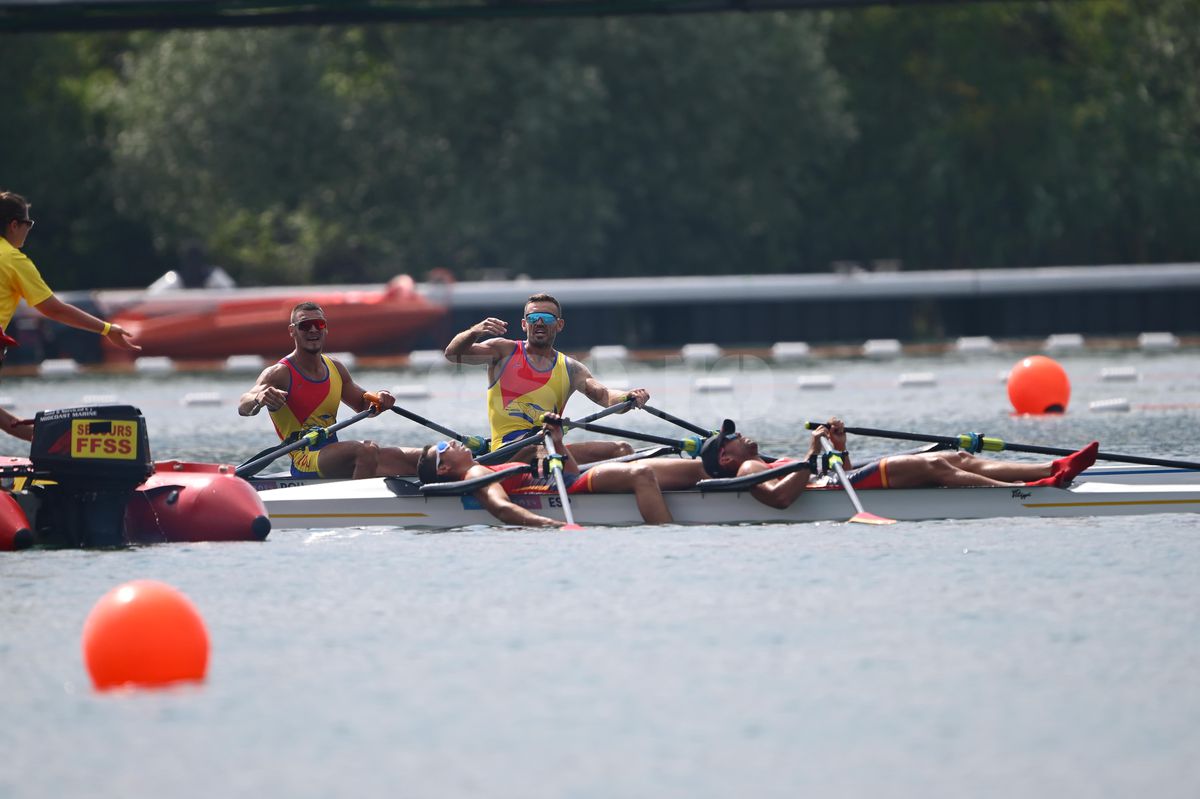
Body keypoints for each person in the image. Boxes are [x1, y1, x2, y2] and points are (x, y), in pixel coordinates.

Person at [697, 418, 1101, 510]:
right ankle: (1026, 494)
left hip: (844, 480)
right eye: (731, 438)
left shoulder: (760, 460)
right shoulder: (747, 470)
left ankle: (1053, 467)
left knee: (954, 456)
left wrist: (839, 447)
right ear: (727, 457)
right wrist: (812, 452)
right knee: (934, 469)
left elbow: (825, 471)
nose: (740, 435)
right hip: (837, 490)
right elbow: (783, 499)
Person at [0, 191, 141, 441]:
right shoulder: (12, 260)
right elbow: (54, 309)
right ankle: (59, 445)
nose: (28, 230)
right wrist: (107, 329)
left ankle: (52, 443)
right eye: (28, 224)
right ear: (13, 225)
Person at [444, 292, 647, 463]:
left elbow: (604, 396)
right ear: (524, 324)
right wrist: (473, 332)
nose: (539, 323)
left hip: (548, 449)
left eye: (547, 318)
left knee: (622, 450)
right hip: (506, 453)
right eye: (533, 318)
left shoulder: (571, 368)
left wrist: (628, 398)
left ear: (559, 325)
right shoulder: (502, 351)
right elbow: (452, 354)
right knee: (541, 451)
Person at [238, 301, 421, 479]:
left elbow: (363, 406)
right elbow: (243, 406)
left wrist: (381, 399)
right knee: (367, 451)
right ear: (292, 331)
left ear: (325, 328)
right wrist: (259, 398)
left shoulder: (335, 368)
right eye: (305, 325)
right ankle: (357, 507)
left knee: (425, 457)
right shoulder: (279, 373)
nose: (313, 330)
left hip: (332, 455)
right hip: (304, 458)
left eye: (319, 324)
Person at [417, 414, 673, 527]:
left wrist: (545, 441)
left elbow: (525, 460)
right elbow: (502, 509)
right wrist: (552, 525)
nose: (449, 442)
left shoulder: (485, 466)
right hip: (568, 485)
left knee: (696, 470)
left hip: (568, 473)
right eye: (442, 447)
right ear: (444, 468)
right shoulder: (475, 475)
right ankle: (666, 536)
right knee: (641, 474)